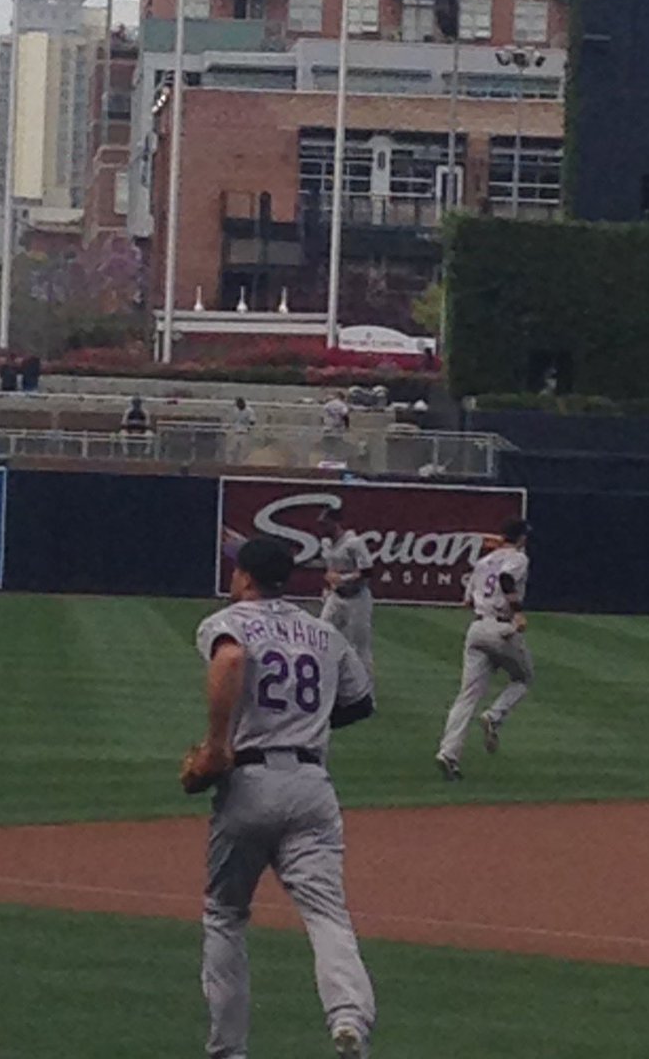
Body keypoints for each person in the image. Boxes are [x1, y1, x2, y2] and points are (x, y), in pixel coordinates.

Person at [186, 537, 376, 1059]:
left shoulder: (229, 621)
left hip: (248, 784)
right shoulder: (323, 632)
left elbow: (229, 662)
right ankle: (349, 1019)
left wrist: (215, 747)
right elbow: (359, 704)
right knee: (327, 914)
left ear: (246, 578)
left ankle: (229, 1050)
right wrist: (305, 721)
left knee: (225, 915)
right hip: (311, 787)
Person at [435, 519, 534, 781]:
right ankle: (494, 715)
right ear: (522, 538)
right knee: (524, 678)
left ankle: (448, 753)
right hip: (502, 629)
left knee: (466, 696)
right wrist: (518, 613)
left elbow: (466, 600)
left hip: (477, 628)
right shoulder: (518, 558)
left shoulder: (482, 562)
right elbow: (505, 579)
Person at [319, 506, 375, 684]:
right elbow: (330, 569)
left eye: (325, 523)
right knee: (322, 633)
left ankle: (365, 685)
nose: (322, 527)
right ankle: (325, 677)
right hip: (336, 597)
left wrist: (343, 578)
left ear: (335, 523)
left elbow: (368, 571)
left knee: (359, 644)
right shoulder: (326, 544)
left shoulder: (354, 542)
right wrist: (328, 588)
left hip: (357, 599)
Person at [228, 395, 257, 464]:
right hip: (236, 432)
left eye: (239, 404)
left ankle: (244, 465)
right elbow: (233, 420)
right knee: (232, 450)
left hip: (245, 433)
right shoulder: (235, 410)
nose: (238, 405)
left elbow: (252, 421)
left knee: (244, 452)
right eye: (237, 404)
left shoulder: (249, 411)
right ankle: (232, 464)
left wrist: (248, 425)